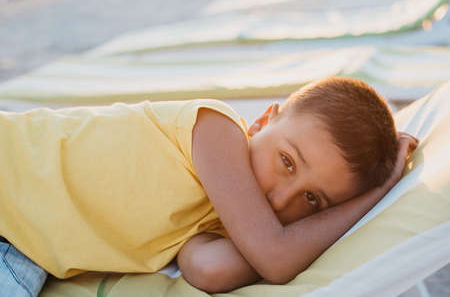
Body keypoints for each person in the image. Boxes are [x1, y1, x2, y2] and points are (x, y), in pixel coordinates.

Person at [0, 77, 417, 296]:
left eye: (312, 200)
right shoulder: (215, 131)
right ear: (262, 121)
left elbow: (208, 269)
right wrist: (380, 191)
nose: (279, 198)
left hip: (21, 256)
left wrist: (357, 201)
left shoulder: (224, 227)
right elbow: (274, 257)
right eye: (287, 162)